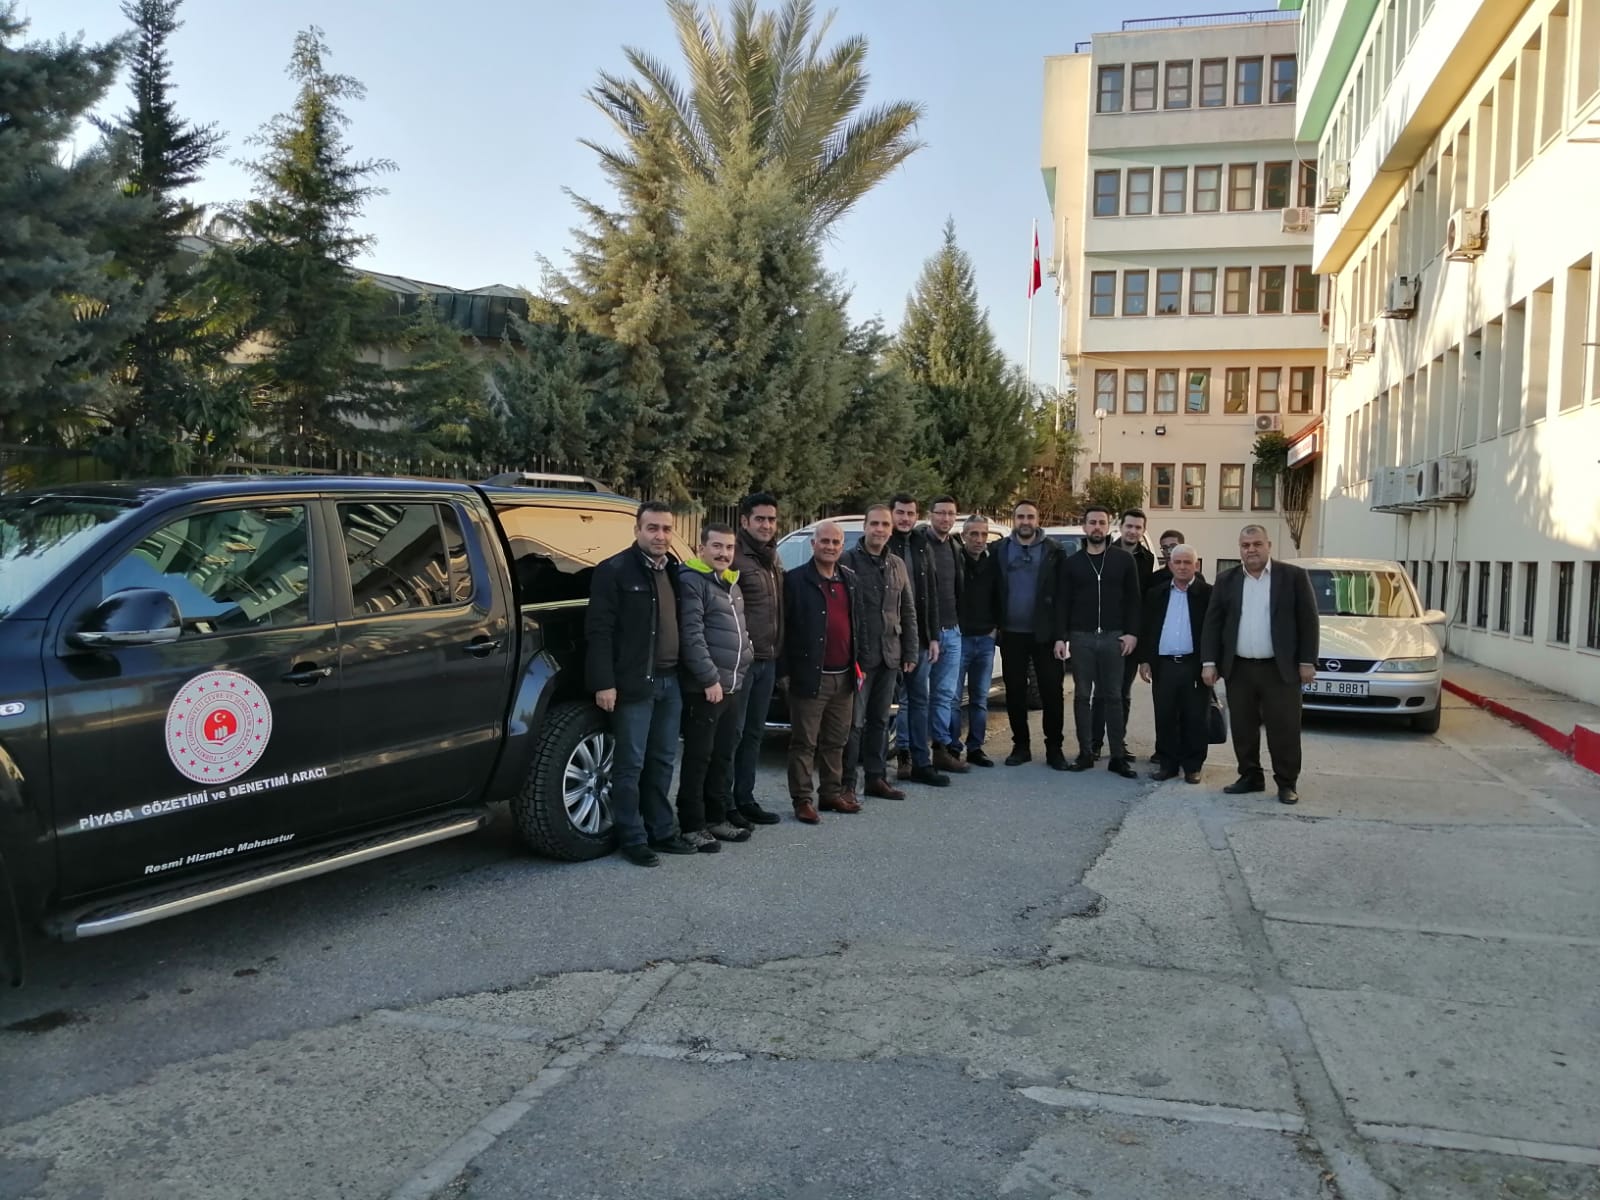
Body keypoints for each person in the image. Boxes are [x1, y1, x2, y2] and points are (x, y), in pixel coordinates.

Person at [585, 501, 697, 867]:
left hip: (670, 682)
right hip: (633, 684)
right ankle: (632, 838)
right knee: (630, 765)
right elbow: (598, 632)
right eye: (653, 528)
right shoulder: (614, 570)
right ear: (637, 530)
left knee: (663, 760)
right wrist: (604, 682)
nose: (660, 535)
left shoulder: (676, 571)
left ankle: (662, 832)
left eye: (666, 529)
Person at [1201, 525, 1320, 806]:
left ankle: (1286, 782)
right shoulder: (1226, 580)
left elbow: (1308, 620)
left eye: (1256, 544)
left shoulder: (1292, 577)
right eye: (1245, 545)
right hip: (1239, 668)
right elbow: (1213, 624)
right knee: (1243, 727)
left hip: (1280, 670)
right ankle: (1250, 776)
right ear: (1239, 548)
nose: (1251, 549)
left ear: (1268, 545)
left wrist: (1307, 661)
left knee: (1284, 728)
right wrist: (1209, 662)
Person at [675, 523, 756, 851]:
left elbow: (739, 630)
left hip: (732, 684)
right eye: (717, 547)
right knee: (699, 757)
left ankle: (716, 818)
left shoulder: (730, 583)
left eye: (729, 547)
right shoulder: (692, 582)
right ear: (701, 548)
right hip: (706, 688)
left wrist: (744, 661)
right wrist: (709, 678)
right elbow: (691, 635)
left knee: (723, 755)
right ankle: (692, 825)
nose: (724, 553)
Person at [780, 521, 863, 823]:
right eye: (824, 541)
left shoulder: (850, 580)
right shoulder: (794, 580)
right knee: (804, 743)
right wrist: (785, 673)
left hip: (844, 677)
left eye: (836, 542)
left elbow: (858, 625)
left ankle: (831, 793)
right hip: (809, 676)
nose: (830, 546)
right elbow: (784, 630)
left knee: (836, 741)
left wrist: (860, 664)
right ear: (813, 544)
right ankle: (802, 799)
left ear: (842, 547)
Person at [842, 505, 917, 802]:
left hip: (891, 655)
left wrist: (910, 650)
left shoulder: (897, 564)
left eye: (885, 525)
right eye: (874, 524)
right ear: (865, 526)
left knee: (879, 721)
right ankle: (847, 784)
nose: (880, 529)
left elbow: (908, 610)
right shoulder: (847, 561)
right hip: (859, 657)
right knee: (854, 724)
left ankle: (876, 778)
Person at [1061, 505, 1143, 778]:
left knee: (1114, 697)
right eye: (1092, 522)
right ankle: (1086, 752)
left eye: (1102, 522)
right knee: (1082, 696)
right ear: (1083, 527)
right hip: (1081, 638)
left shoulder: (1123, 560)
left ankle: (1117, 757)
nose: (1097, 527)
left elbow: (1134, 600)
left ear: (1110, 527)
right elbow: (1063, 604)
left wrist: (1132, 633)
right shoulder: (1072, 563)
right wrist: (1062, 637)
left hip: (1114, 637)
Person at [994, 499, 1070, 769]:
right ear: (1014, 520)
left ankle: (1054, 749)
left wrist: (1061, 636)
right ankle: (1021, 746)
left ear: (1038, 520)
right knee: (1014, 691)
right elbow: (994, 591)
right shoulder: (1000, 550)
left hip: (1045, 635)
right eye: (1020, 517)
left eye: (1030, 517)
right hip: (1011, 634)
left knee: (1052, 691)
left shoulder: (1054, 551)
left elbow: (1063, 596)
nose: (1025, 521)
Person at [729, 492, 784, 826]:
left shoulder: (772, 558)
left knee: (753, 735)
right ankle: (724, 804)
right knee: (731, 735)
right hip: (741, 663)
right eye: (760, 519)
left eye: (772, 519)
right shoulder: (733, 557)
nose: (767, 525)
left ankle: (744, 799)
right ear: (745, 521)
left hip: (769, 660)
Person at [1137, 545, 1213, 785]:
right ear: (1169, 565)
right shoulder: (1156, 594)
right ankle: (1168, 765)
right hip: (1164, 665)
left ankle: (1193, 766)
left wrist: (1211, 663)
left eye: (1187, 562)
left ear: (1196, 565)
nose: (1182, 567)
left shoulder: (1208, 594)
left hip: (1194, 665)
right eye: (1177, 562)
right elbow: (1147, 628)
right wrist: (1145, 659)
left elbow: (1214, 632)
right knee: (1165, 716)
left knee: (1195, 717)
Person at [888, 494, 949, 787]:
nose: (905, 518)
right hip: (889, 637)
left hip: (920, 637)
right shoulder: (883, 544)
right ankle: (901, 757)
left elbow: (931, 593)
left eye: (910, 513)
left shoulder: (922, 544)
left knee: (919, 698)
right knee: (895, 702)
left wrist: (934, 636)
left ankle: (921, 762)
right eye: (900, 512)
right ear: (891, 514)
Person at [1091, 508, 1155, 758]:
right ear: (1121, 527)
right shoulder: (1104, 552)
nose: (1133, 531)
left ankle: (1118, 743)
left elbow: (1141, 602)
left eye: (1138, 528)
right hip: (1104, 632)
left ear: (1143, 530)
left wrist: (1137, 635)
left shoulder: (1147, 559)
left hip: (1131, 635)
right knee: (1101, 693)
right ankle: (1095, 743)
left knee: (1123, 693)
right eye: (1129, 526)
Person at [924, 495, 968, 775]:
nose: (946, 519)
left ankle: (940, 750)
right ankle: (907, 754)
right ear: (931, 515)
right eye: (941, 513)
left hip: (952, 631)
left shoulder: (954, 546)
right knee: (912, 697)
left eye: (951, 514)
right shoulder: (918, 545)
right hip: (926, 633)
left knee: (944, 695)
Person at [956, 515, 1002, 767]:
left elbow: (1000, 597)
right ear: (964, 536)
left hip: (985, 640)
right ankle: (952, 748)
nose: (979, 539)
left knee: (979, 699)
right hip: (959, 639)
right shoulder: (955, 561)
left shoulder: (993, 563)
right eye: (973, 534)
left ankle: (975, 748)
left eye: (983, 534)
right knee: (953, 699)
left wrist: (994, 629)